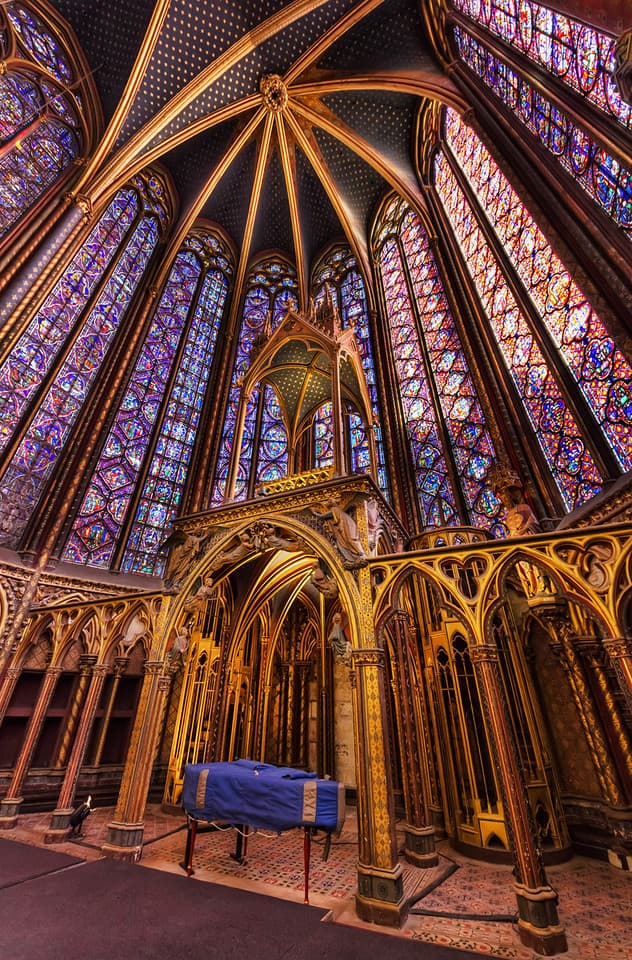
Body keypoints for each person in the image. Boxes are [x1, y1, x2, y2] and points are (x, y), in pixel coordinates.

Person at [310, 496, 366, 566]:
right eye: (329, 501)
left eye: (330, 501)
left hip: (346, 525)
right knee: (342, 543)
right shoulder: (337, 510)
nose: (328, 502)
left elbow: (323, 516)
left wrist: (314, 513)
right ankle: (352, 558)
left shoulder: (334, 509)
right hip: (343, 527)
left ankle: (360, 554)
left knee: (350, 540)